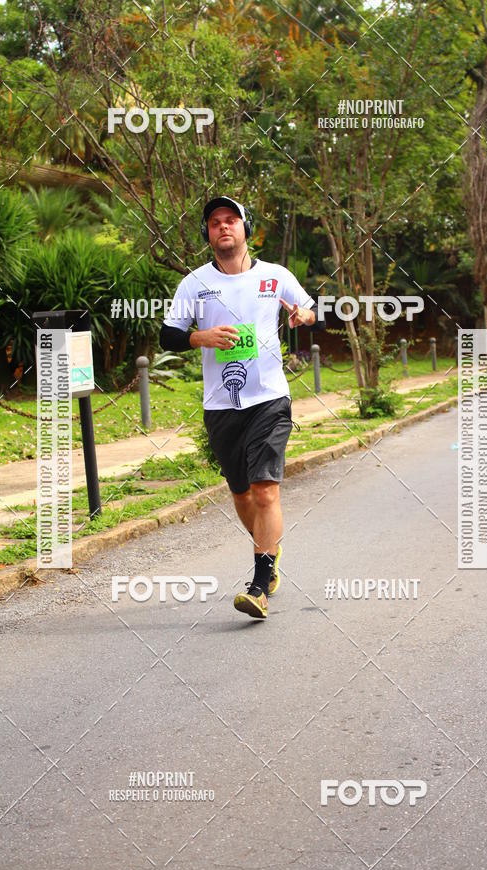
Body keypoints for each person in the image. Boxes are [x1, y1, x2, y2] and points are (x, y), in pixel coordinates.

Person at [159, 196, 316, 619]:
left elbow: (308, 308)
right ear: (208, 234)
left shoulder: (274, 276)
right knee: (242, 493)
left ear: (246, 228)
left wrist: (302, 314)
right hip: (222, 405)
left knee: (266, 488)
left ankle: (259, 585)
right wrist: (200, 337)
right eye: (214, 222)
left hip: (269, 398)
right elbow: (167, 335)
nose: (223, 227)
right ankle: (270, 550)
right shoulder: (194, 283)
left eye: (231, 220)